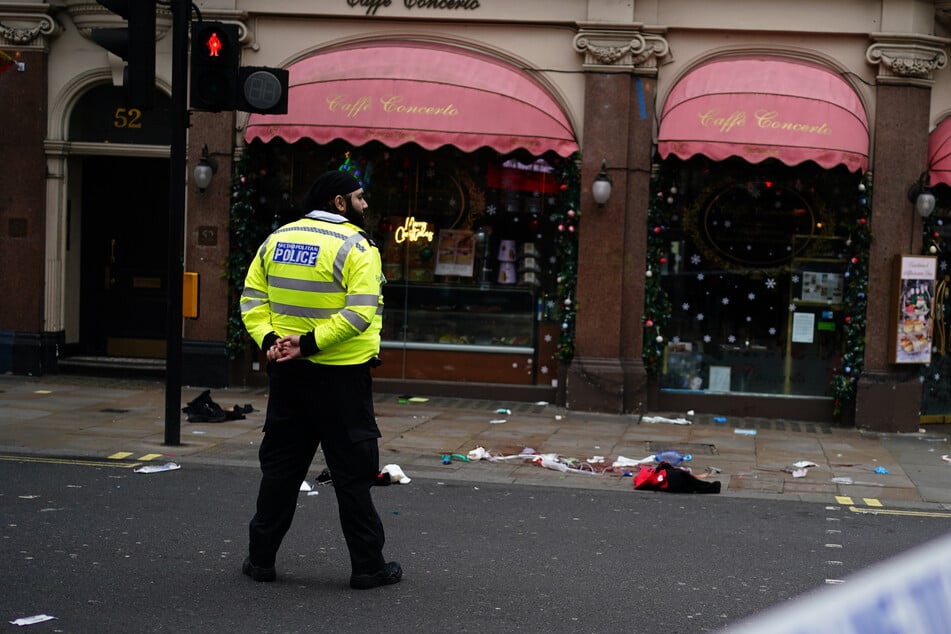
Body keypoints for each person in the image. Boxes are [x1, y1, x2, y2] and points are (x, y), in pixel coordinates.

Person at [239, 169, 400, 590]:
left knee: (281, 470)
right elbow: (359, 313)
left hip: (288, 376)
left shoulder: (277, 239)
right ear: (340, 202)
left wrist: (273, 341)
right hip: (341, 378)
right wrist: (308, 344)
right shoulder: (357, 246)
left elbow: (253, 299)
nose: (366, 205)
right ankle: (368, 568)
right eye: (360, 198)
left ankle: (260, 560)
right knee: (352, 476)